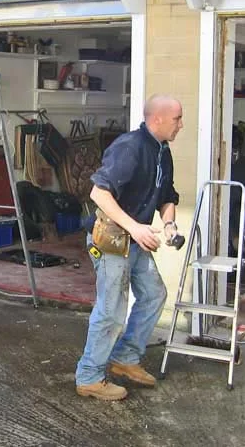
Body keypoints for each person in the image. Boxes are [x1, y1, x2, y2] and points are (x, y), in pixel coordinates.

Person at [74, 95, 183, 401]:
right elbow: (99, 193)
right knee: (111, 310)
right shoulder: (130, 147)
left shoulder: (162, 150)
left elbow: (167, 194)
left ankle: (125, 359)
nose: (181, 125)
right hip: (112, 239)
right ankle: (89, 377)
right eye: (177, 119)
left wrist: (169, 224)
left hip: (134, 239)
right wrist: (135, 227)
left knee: (154, 293)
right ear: (157, 119)